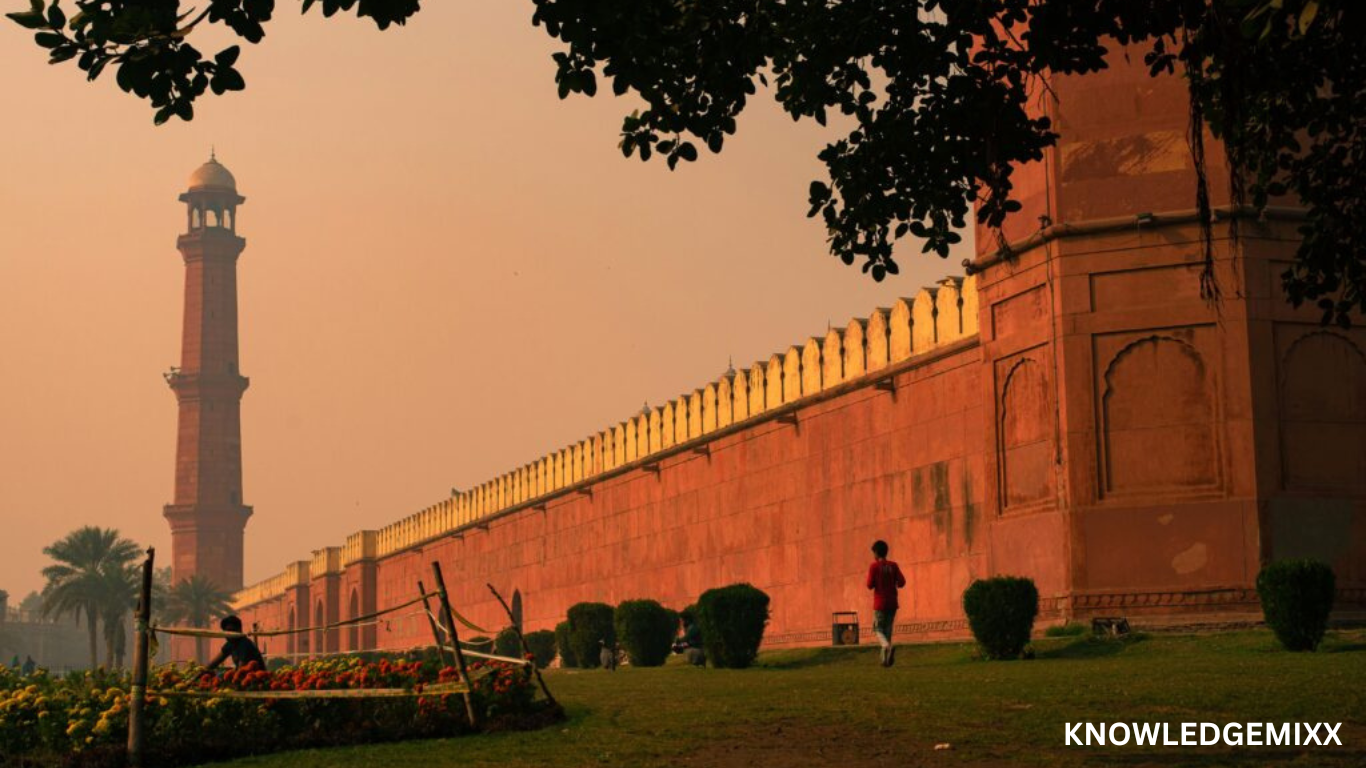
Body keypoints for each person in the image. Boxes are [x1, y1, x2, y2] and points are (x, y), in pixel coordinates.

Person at [866, 540, 906, 667]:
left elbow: (869, 585)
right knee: (887, 630)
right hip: (892, 603)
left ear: (876, 553)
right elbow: (902, 582)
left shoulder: (874, 566)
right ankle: (885, 660)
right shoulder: (893, 566)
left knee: (877, 628)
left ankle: (886, 647)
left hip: (880, 603)